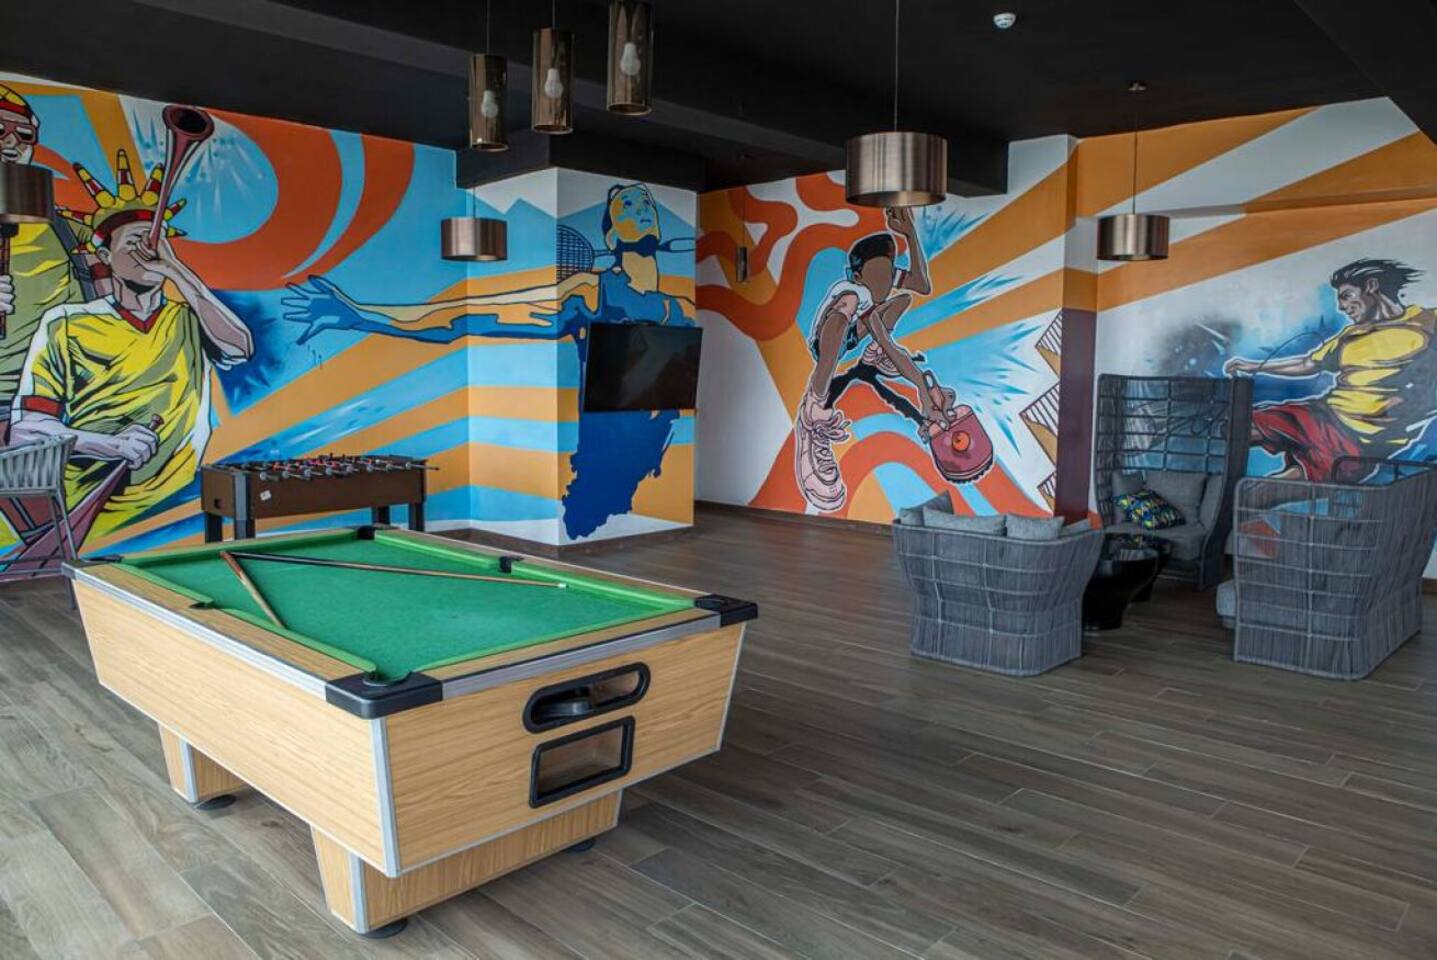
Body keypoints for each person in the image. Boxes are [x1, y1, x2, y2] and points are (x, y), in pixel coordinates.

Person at [9, 149, 252, 543]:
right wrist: (109, 445)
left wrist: (178, 272)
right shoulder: (66, 323)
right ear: (105, 256)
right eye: (135, 242)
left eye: (155, 243)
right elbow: (26, 432)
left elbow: (240, 347)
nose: (147, 252)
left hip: (178, 508)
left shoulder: (189, 318)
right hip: (90, 515)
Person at [794, 207, 955, 512]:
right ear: (857, 275)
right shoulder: (852, 292)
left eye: (888, 274)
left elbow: (921, 285)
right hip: (828, 339)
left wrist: (910, 234)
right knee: (847, 311)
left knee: (902, 299)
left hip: (860, 328)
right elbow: (856, 323)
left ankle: (871, 356)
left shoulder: (877, 292)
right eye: (877, 276)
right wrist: (919, 383)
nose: (884, 282)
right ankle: (813, 409)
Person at [1225, 259, 1437, 482]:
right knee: (1239, 428)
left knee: (1281, 484)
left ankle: (1240, 500)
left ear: (1371, 286)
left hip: (1360, 439)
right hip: (1323, 413)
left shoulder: (1427, 322)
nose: (1342, 307)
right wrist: (1252, 366)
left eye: (1347, 296)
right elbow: (1308, 364)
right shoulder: (1349, 336)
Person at [0, 83, 92, 444]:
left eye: (24, 134)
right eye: (0, 130)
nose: (11, 143)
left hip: (51, 403)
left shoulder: (64, 228)